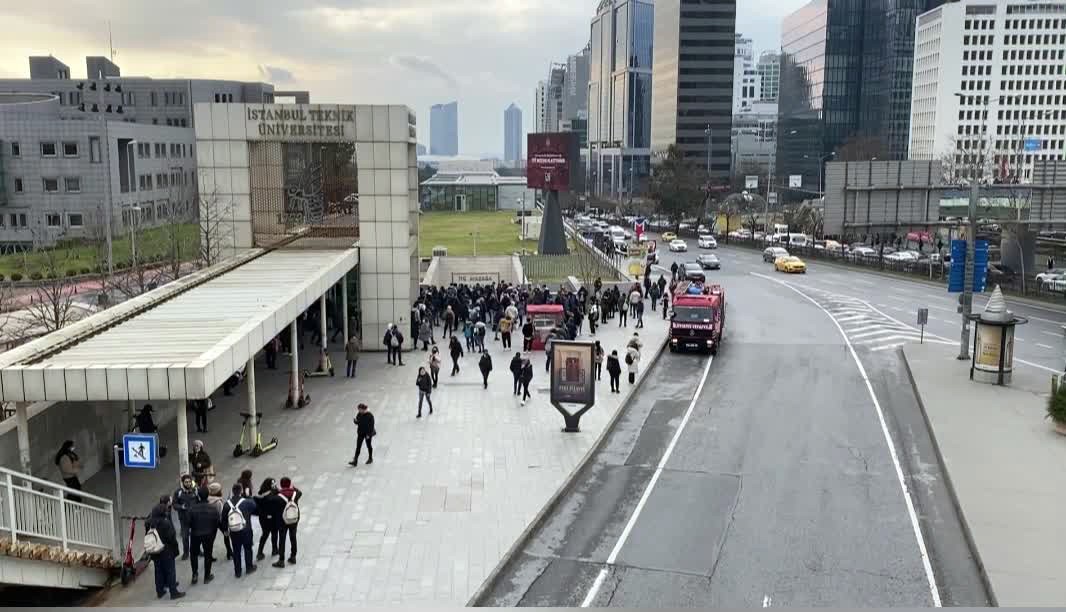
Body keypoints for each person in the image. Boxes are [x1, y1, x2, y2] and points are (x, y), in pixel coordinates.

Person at [146, 502, 185, 599]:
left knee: (158, 571)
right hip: (166, 550)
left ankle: (160, 591)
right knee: (170, 571)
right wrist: (175, 550)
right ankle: (173, 592)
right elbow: (171, 538)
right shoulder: (165, 522)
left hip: (154, 550)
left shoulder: (149, 523)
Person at [223, 483, 257, 578]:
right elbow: (255, 507)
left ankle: (237, 571)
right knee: (247, 548)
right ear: (241, 491)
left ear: (233, 491)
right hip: (246, 530)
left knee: (236, 551)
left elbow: (223, 519)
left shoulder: (227, 504)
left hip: (234, 531)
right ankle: (249, 567)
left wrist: (225, 530)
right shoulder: (246, 502)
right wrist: (249, 496)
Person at [188, 487, 219, 585]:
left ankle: (194, 574)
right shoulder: (213, 508)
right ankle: (207, 576)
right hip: (208, 534)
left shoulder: (192, 508)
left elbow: (188, 523)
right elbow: (216, 523)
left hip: (195, 534)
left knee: (193, 554)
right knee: (208, 555)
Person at [275, 477, 302, 567]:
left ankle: (281, 560)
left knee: (282, 539)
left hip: (282, 521)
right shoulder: (296, 493)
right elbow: (300, 492)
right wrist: (293, 487)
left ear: (281, 485)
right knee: (293, 537)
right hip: (294, 519)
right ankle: (293, 556)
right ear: (290, 484)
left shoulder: (278, 496)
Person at [172, 474, 198, 560]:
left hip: (195, 518)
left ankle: (197, 550)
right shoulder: (178, 492)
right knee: (185, 537)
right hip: (184, 519)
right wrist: (181, 507)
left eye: (189, 482)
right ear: (182, 483)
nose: (188, 483)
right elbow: (174, 505)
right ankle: (186, 553)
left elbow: (200, 501)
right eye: (186, 482)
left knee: (197, 536)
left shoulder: (195, 490)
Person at [207, 482, 233, 561]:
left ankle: (209, 556)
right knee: (226, 535)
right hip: (219, 522)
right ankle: (229, 553)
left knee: (211, 540)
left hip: (210, 522)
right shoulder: (218, 502)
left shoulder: (208, 499)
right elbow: (221, 514)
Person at [254, 478, 279, 562]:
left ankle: (260, 552)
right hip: (272, 518)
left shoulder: (260, 494)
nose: (275, 485)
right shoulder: (271, 496)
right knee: (274, 533)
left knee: (265, 534)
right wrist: (276, 489)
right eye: (273, 484)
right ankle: (274, 549)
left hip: (263, 518)